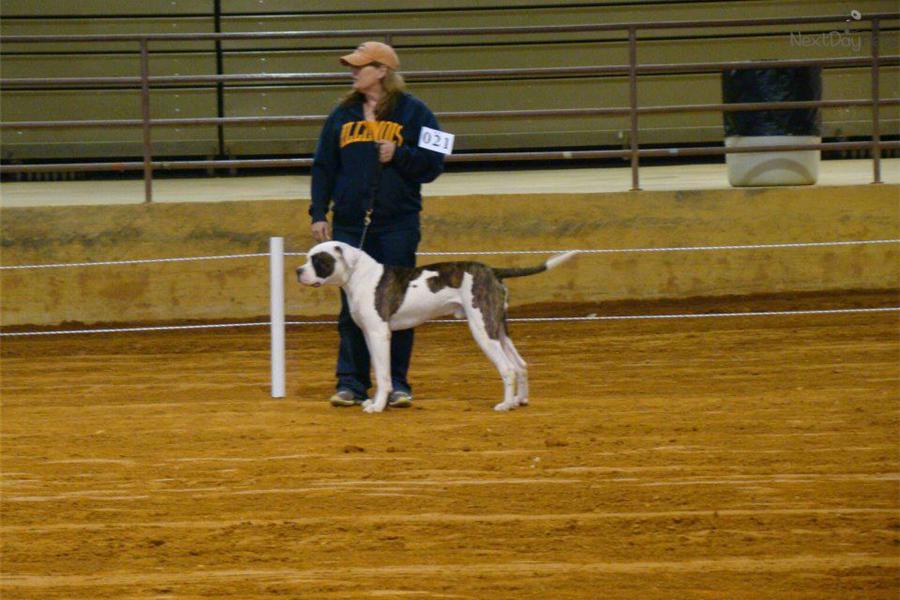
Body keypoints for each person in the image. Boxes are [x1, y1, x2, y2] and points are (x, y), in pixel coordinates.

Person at [309, 41, 444, 408]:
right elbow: (323, 166)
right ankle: (351, 383)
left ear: (382, 71)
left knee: (398, 305)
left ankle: (398, 383)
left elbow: (435, 163)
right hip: (350, 228)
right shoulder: (341, 115)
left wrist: (398, 153)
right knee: (352, 306)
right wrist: (319, 212)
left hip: (398, 224)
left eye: (360, 67)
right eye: (352, 67)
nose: (353, 72)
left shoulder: (416, 113)